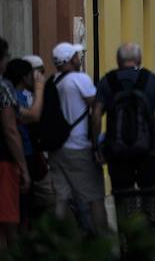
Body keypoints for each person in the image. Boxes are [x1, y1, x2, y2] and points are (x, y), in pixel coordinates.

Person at [91, 43, 155, 191]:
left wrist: (96, 146)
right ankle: (146, 214)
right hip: (147, 148)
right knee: (148, 192)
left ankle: (126, 214)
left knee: (122, 195)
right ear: (139, 59)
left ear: (118, 60)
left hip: (116, 149)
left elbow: (96, 115)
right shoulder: (151, 79)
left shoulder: (107, 81)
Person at [48, 42, 107, 234]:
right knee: (94, 197)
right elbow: (96, 107)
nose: (78, 59)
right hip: (79, 147)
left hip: (57, 149)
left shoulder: (53, 81)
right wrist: (96, 146)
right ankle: (101, 240)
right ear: (69, 60)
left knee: (61, 198)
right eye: (76, 56)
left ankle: (60, 240)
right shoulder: (78, 79)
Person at [5, 58, 47, 226]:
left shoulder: (11, 95)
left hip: (22, 153)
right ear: (24, 77)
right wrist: (40, 87)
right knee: (22, 209)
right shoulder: (16, 97)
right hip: (23, 154)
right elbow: (34, 115)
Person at [0, 39, 29, 249]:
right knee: (8, 218)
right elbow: (10, 130)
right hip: (3, 160)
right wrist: (24, 168)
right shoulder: (3, 88)